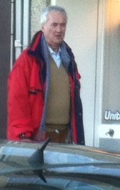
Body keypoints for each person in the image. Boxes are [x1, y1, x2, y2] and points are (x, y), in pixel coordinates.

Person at [7, 6, 85, 144]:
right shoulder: (28, 60)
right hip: (38, 138)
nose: (59, 30)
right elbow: (17, 100)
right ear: (43, 27)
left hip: (65, 136)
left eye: (62, 25)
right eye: (54, 25)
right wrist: (23, 135)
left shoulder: (69, 59)